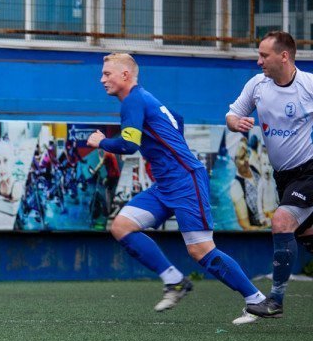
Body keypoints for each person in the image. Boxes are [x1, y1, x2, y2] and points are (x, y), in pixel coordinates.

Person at [87, 53, 267, 318]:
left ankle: (256, 299)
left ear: (125, 75)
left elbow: (129, 145)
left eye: (107, 74)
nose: (102, 79)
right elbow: (177, 119)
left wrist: (101, 142)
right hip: (166, 184)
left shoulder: (134, 100)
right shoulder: (145, 98)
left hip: (185, 181)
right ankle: (175, 281)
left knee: (200, 250)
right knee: (121, 226)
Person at [226, 30, 313, 324]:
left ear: (284, 56)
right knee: (303, 234)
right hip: (283, 177)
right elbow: (232, 114)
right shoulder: (257, 86)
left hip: (309, 170)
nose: (259, 61)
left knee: (281, 222)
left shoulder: (308, 86)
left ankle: (274, 301)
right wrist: (235, 122)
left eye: (264, 55)